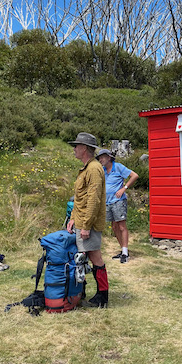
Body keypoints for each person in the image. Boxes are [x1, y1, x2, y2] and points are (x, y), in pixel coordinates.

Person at [66, 132, 109, 308]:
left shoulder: (93, 169)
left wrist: (86, 226)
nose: (74, 149)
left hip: (87, 223)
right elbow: (80, 198)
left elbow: (93, 199)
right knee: (84, 256)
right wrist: (73, 218)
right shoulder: (87, 168)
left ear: (84, 148)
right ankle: (82, 291)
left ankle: (102, 296)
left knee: (95, 256)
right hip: (81, 221)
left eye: (76, 146)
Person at [96, 149, 139, 263]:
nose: (100, 159)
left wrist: (124, 188)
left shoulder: (118, 167)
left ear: (109, 157)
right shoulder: (103, 170)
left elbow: (134, 175)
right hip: (107, 202)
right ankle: (123, 250)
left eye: (102, 157)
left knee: (121, 226)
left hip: (118, 201)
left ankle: (125, 253)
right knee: (114, 227)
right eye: (99, 158)